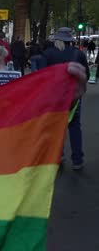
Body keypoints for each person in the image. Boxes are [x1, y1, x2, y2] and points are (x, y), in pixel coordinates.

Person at [43, 27, 90, 170]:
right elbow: (86, 74)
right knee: (75, 126)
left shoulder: (48, 54)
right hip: (73, 95)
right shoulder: (78, 54)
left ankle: (58, 156)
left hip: (54, 96)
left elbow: (43, 76)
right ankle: (77, 159)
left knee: (56, 126)